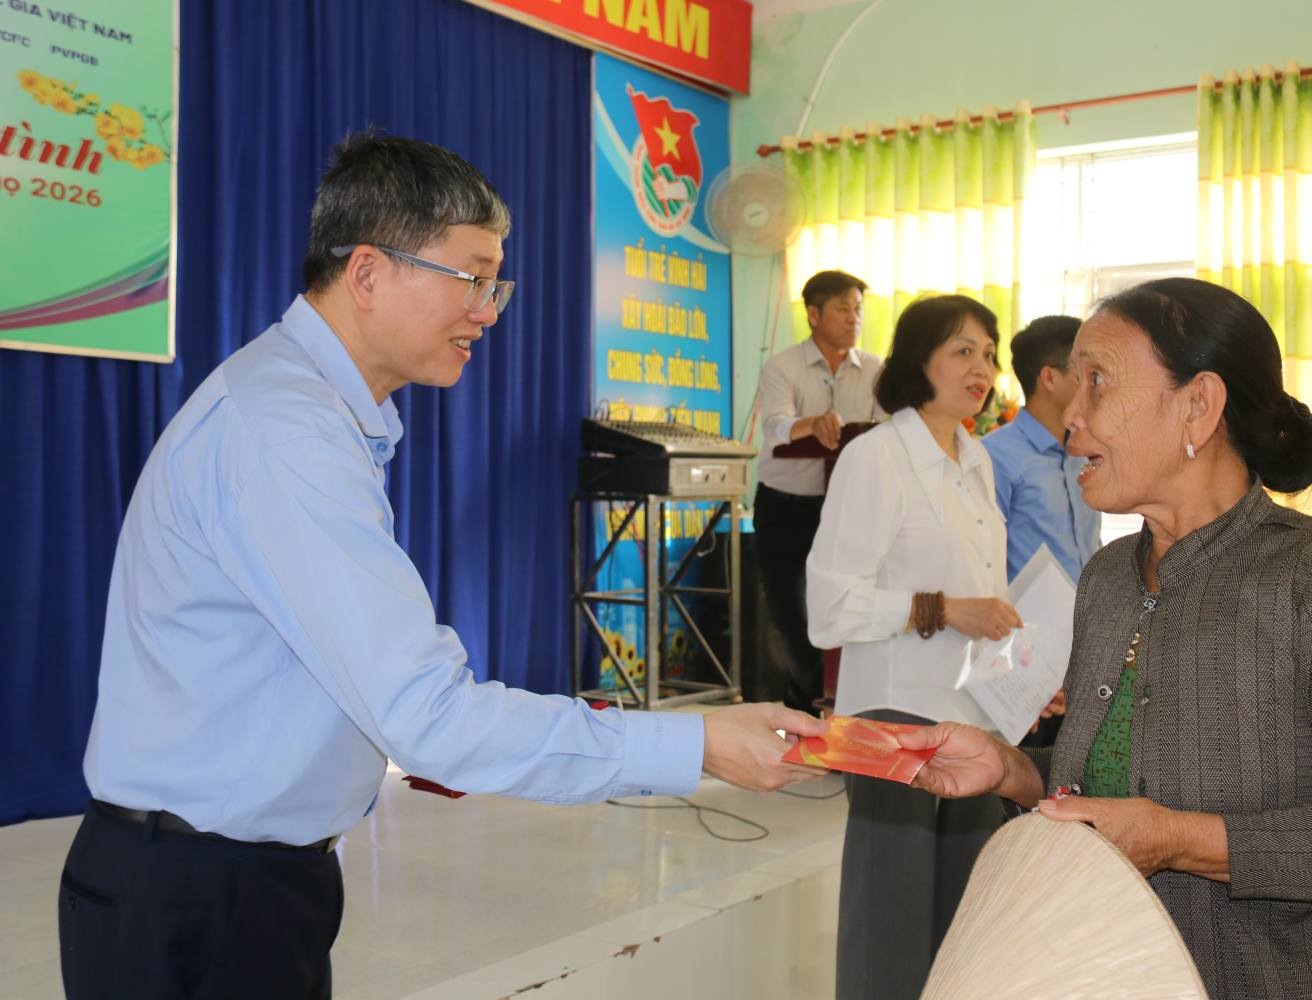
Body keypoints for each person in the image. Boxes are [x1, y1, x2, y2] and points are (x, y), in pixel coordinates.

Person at [57, 132, 827, 1000]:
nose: (489, 311)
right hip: (197, 897)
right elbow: (428, 718)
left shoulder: (312, 413)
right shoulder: (285, 434)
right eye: (470, 277)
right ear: (368, 273)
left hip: (240, 880)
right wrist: (698, 741)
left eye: (496, 283)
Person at [898, 278, 1312, 1000]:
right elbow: (1119, 780)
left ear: (1197, 405)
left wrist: (1180, 840)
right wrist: (1012, 769)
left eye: (1098, 382)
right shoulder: (1109, 577)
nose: (1071, 416)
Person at [805, 295, 1024, 1000]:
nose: (981, 367)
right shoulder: (875, 457)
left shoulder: (975, 457)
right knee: (886, 924)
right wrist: (942, 609)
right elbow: (829, 609)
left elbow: (984, 589)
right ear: (916, 361)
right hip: (887, 721)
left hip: (974, 717)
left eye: (989, 354)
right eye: (962, 350)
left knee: (966, 918)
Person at [753, 269, 883, 713]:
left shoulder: (876, 370)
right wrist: (812, 424)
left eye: (858, 309)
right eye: (843, 308)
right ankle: (806, 711)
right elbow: (774, 427)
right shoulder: (782, 367)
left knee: (847, 611)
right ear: (813, 314)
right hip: (786, 509)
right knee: (794, 619)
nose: (854, 318)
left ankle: (844, 713)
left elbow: (890, 429)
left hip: (849, 510)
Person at [981, 314, 1101, 583]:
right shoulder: (994, 456)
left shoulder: (1085, 451)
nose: (1094, 384)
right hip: (1027, 621)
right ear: (1049, 378)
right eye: (1084, 373)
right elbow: (983, 558)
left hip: (1089, 615)